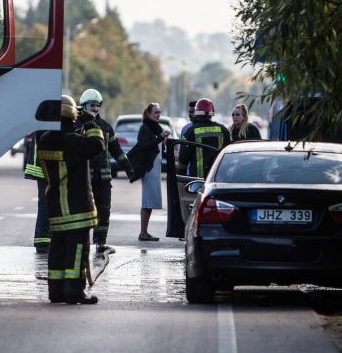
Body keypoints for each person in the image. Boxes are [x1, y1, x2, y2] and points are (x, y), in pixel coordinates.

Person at [38, 95, 106, 304]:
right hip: (77, 210)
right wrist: (91, 123)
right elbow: (97, 145)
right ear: (72, 115)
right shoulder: (74, 141)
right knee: (77, 252)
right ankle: (75, 292)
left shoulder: (45, 140)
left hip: (57, 209)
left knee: (57, 251)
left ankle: (56, 292)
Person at [78, 88, 132, 255]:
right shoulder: (77, 125)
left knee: (103, 211)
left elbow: (117, 150)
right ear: (84, 106)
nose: (95, 108)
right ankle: (80, 242)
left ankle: (100, 243)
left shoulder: (106, 127)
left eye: (97, 105)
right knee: (81, 210)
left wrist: (129, 169)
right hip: (82, 177)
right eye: (92, 105)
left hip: (103, 178)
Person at [133, 102, 171, 242]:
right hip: (149, 168)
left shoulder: (156, 127)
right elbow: (143, 146)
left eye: (159, 112)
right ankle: (143, 232)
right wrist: (160, 138)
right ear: (148, 114)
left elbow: (158, 148)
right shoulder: (145, 127)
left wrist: (165, 142)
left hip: (155, 167)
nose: (158, 115)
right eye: (156, 112)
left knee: (150, 201)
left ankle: (144, 232)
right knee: (148, 200)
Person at [177, 98, 231, 178]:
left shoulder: (190, 132)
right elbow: (228, 156)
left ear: (196, 113)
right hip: (218, 179)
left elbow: (182, 160)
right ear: (212, 113)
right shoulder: (223, 130)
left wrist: (181, 176)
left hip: (197, 181)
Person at [22, 130, 51, 253]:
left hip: (42, 169)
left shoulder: (43, 122)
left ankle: (42, 242)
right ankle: (44, 242)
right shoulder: (50, 124)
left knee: (45, 205)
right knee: (48, 205)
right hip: (47, 170)